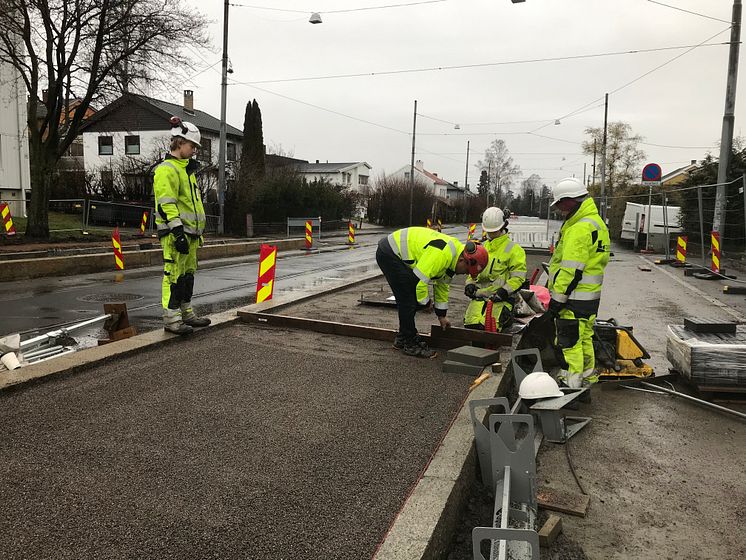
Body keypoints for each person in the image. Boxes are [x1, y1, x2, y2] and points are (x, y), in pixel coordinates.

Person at [376, 226, 489, 358]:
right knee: (408, 299)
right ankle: (409, 342)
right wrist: (425, 302)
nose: (464, 274)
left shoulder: (452, 260)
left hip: (396, 254)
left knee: (409, 298)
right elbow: (419, 282)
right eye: (466, 271)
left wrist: (442, 316)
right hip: (390, 252)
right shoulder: (442, 255)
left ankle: (403, 337)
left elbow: (442, 286)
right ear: (462, 260)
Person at [547, 177, 610, 388]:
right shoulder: (596, 223)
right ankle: (587, 380)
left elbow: (571, 270)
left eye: (559, 205)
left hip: (572, 298)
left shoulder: (578, 229)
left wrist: (557, 300)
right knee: (584, 340)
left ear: (569, 201)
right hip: (590, 297)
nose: (558, 210)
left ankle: (571, 386)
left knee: (569, 344)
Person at [153, 116, 211, 335]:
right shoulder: (167, 170)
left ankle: (186, 314)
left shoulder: (186, 171)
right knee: (173, 276)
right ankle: (172, 320)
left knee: (187, 277)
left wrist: (196, 233)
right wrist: (177, 232)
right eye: (192, 146)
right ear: (179, 142)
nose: (194, 150)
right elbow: (166, 204)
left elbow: (191, 205)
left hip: (190, 234)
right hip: (176, 233)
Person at [464, 207, 527, 331]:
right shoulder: (483, 247)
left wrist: (504, 291)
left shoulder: (514, 250)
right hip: (479, 299)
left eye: (494, 231)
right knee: (470, 326)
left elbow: (518, 277)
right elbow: (472, 272)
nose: (491, 234)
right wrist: (469, 284)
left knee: (488, 329)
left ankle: (506, 321)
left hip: (500, 300)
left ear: (503, 227)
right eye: (488, 231)